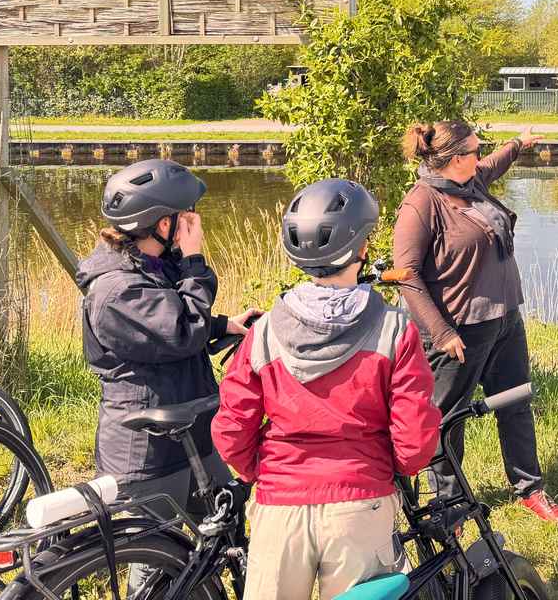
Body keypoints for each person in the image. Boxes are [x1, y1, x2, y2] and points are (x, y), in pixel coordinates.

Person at [213, 178, 441, 600]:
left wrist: (261, 473)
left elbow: (231, 428)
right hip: (361, 501)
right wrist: (391, 468)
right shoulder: (395, 328)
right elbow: (415, 436)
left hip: (281, 502)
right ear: (361, 250)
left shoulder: (263, 333)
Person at [392, 120, 558, 526]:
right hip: (459, 330)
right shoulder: (421, 204)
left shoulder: (470, 181)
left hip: (505, 318)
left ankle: (530, 489)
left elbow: (494, 163)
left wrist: (519, 143)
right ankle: (449, 504)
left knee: (515, 404)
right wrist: (441, 332)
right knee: (447, 419)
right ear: (454, 159)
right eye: (474, 149)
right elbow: (407, 275)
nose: (480, 154)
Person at [77, 159, 259, 532]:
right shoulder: (116, 290)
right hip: (146, 453)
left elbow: (170, 319)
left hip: (189, 434)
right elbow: (180, 329)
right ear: (164, 224)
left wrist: (224, 324)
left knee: (226, 529)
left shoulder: (150, 263)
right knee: (155, 566)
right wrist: (194, 258)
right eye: (188, 214)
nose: (195, 220)